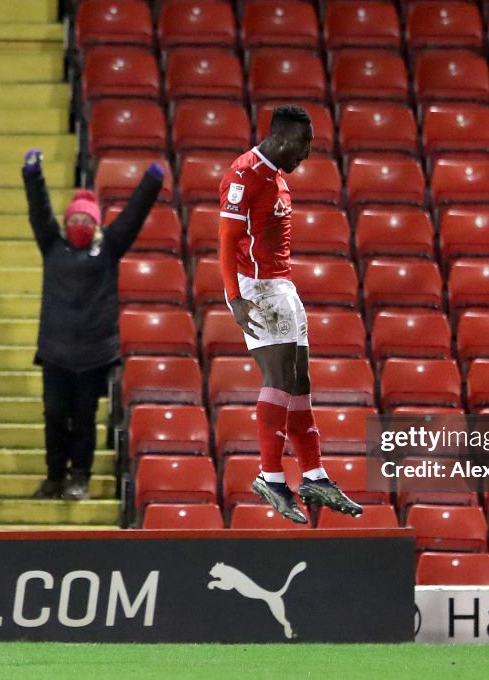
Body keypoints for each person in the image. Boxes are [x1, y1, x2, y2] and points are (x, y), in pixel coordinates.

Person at [218, 105, 363, 524]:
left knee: (300, 384)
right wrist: (235, 298)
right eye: (303, 145)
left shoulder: (278, 176)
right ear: (281, 138)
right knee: (280, 380)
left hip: (282, 286)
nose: (306, 154)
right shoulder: (245, 176)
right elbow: (226, 241)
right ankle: (270, 475)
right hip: (258, 288)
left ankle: (313, 474)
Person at [22, 149, 165, 500]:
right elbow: (39, 211)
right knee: (54, 415)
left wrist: (150, 182)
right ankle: (54, 476)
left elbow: (133, 216)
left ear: (96, 225)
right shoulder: (52, 246)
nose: (79, 227)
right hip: (55, 352)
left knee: (85, 419)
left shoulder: (109, 250)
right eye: (75, 221)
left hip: (94, 355)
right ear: (67, 223)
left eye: (86, 222)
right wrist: (32, 176)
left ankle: (79, 478)